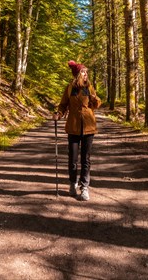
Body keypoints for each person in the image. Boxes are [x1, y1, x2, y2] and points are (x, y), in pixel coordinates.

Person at [53, 60, 101, 201]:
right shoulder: (69, 88)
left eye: (86, 72)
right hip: (73, 127)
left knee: (86, 159)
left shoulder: (89, 87)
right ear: (77, 74)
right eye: (83, 72)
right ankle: (72, 183)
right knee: (72, 159)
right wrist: (58, 115)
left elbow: (97, 104)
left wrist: (95, 98)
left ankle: (84, 187)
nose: (86, 74)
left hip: (88, 127)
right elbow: (63, 105)